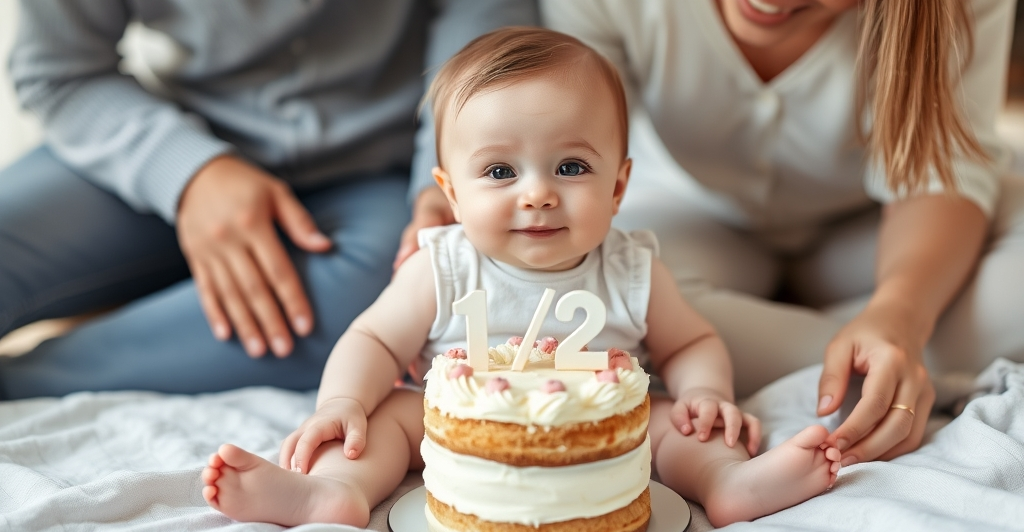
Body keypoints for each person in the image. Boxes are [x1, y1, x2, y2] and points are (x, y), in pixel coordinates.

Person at [200, 27, 842, 529]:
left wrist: (708, 392)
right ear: (450, 195)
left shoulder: (629, 269)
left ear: (618, 186)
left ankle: (729, 484)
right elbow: (372, 341)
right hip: (451, 430)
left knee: (678, 424)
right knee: (387, 417)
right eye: (501, 172)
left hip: (602, 433)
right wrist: (341, 404)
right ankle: (332, 494)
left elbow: (690, 343)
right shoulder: (445, 266)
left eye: (569, 167)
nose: (536, 195)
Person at [397, 0, 1024, 469]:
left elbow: (945, 171)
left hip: (872, 226)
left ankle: (872, 347)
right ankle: (876, 358)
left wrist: (901, 313)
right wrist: (450, 202)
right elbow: (544, 131)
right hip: (688, 214)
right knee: (626, 292)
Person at [0, 0, 537, 399]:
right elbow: (58, 71)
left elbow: (486, 42)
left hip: (379, 174)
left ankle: (26, 380)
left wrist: (441, 185)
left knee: (403, 291)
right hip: (169, 140)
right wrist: (190, 174)